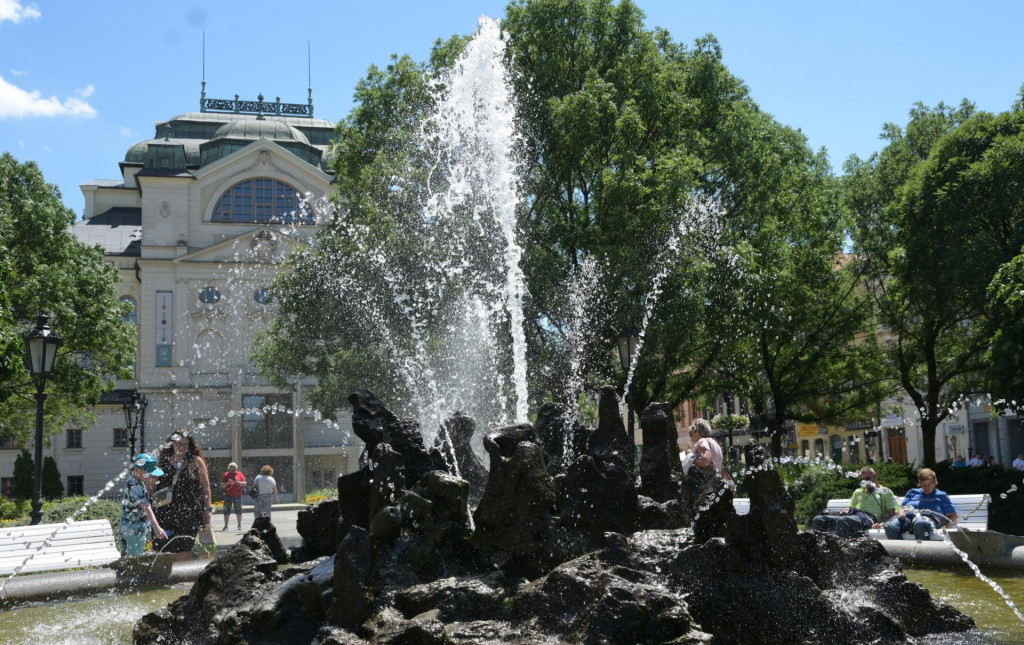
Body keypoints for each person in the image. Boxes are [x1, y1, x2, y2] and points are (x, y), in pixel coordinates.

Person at [153, 428, 214, 561]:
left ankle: (183, 579)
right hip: (164, 511)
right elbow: (151, 485)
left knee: (184, 548)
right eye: (178, 443)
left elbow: (206, 486)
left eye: (185, 444)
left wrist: (207, 509)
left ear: (189, 445)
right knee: (162, 547)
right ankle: (165, 579)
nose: (181, 447)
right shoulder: (162, 461)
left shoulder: (196, 461)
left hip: (189, 512)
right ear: (171, 443)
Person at [810, 467, 897, 538]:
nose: (865, 482)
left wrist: (881, 524)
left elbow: (892, 514)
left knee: (843, 521)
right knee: (819, 519)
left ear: (875, 476)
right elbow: (850, 508)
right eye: (862, 480)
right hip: (853, 516)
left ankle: (841, 553)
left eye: (867, 479)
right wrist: (846, 511)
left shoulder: (885, 492)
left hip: (868, 519)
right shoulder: (858, 491)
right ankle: (819, 552)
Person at [883, 468, 958, 540]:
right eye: (924, 485)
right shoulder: (912, 492)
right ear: (920, 483)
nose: (926, 487)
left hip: (930, 520)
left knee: (920, 523)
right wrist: (901, 514)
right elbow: (901, 507)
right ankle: (901, 551)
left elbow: (953, 515)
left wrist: (946, 526)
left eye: (929, 484)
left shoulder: (941, 495)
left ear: (935, 482)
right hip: (909, 518)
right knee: (890, 527)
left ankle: (923, 552)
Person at [119, 453, 168, 555]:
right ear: (136, 470)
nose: (150, 476)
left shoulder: (136, 482)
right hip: (134, 532)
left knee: (126, 562)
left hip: (127, 530)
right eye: (147, 473)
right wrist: (157, 528)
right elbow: (146, 507)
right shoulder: (134, 485)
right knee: (134, 563)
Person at [220, 462, 246, 531]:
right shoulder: (226, 474)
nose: (233, 470)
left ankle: (239, 525)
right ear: (229, 469)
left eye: (234, 468)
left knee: (239, 511)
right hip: (228, 495)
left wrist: (237, 482)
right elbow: (222, 484)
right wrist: (228, 482)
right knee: (226, 511)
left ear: (236, 468)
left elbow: (244, 483)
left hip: (237, 495)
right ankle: (226, 526)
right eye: (231, 468)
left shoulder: (240, 474)